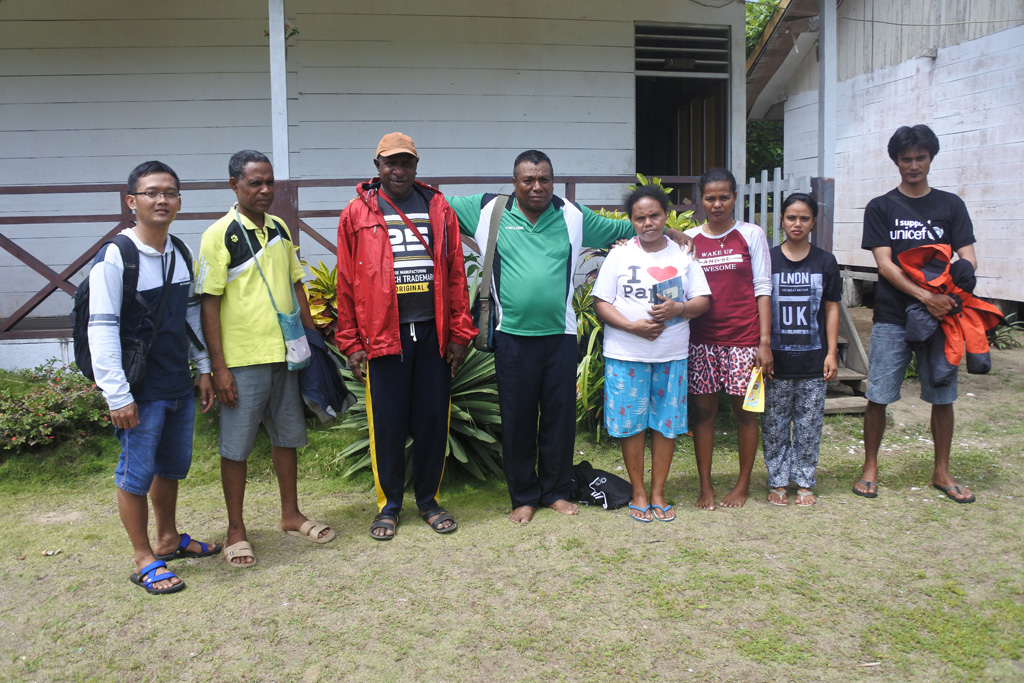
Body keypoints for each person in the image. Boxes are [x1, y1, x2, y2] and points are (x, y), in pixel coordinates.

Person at [448, 151, 692, 524]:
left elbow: (621, 227)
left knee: (559, 420)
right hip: (512, 337)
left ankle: (556, 491)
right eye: (528, 180)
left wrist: (668, 232)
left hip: (560, 337)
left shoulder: (572, 215)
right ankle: (524, 496)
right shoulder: (487, 210)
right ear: (514, 183)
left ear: (553, 181)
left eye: (544, 179)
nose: (537, 186)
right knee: (517, 421)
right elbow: (432, 205)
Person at [196, 150, 335, 568]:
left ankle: (291, 514)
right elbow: (208, 304)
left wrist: (314, 341)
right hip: (241, 360)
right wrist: (219, 367)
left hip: (286, 354)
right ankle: (235, 530)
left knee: (287, 437)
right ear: (234, 185)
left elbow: (296, 285)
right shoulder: (219, 235)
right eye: (255, 182)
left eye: (269, 182)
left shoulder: (279, 228)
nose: (265, 190)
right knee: (236, 447)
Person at [336, 133, 477, 540]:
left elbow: (456, 273)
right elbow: (346, 281)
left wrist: (460, 332)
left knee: (432, 420)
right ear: (377, 166)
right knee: (388, 425)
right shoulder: (356, 213)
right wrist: (351, 342)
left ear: (417, 166)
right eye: (390, 163)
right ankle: (390, 506)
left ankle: (429, 501)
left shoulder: (438, 208)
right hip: (384, 336)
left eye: (406, 163)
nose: (398, 170)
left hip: (433, 334)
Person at [88, 161, 219, 594]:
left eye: (170, 193)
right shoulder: (116, 257)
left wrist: (203, 368)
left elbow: (189, 317)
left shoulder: (178, 251)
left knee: (170, 467)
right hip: (138, 390)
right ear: (132, 201)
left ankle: (167, 538)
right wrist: (117, 395)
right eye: (151, 193)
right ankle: (144, 558)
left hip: (176, 381)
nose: (162, 200)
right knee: (136, 473)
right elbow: (101, 327)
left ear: (179, 201)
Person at [857, 124, 978, 504]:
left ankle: (942, 471)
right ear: (896, 161)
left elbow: (968, 256)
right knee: (878, 394)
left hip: (942, 319)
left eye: (920, 158)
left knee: (943, 394)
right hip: (893, 316)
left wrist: (955, 288)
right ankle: (870, 467)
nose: (913, 165)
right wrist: (926, 296)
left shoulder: (951, 205)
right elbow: (884, 264)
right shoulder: (881, 207)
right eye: (906, 159)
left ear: (931, 158)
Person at [592, 185, 710, 522]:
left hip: (671, 355)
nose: (648, 223)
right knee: (631, 426)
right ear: (631, 221)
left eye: (654, 215)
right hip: (626, 354)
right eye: (640, 218)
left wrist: (680, 308)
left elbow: (703, 300)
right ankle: (639, 492)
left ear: (666, 216)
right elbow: (601, 302)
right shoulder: (619, 255)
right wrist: (632, 327)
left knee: (666, 425)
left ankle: (658, 492)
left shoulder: (682, 255)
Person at [684, 168, 773, 510]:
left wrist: (764, 342)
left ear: (735, 197)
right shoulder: (690, 239)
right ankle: (705, 486)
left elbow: (763, 287)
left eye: (724, 197)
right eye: (710, 198)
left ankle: (742, 484)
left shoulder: (751, 234)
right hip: (701, 341)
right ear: (701, 200)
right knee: (704, 415)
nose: (717, 204)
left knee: (745, 414)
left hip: (744, 340)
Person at [761, 193, 840, 507]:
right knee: (774, 426)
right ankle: (778, 482)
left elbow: (831, 308)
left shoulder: (825, 261)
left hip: (813, 361)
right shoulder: (768, 260)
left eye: (804, 218)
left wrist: (831, 353)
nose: (797, 223)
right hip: (775, 362)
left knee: (809, 427)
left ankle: (805, 482)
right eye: (791, 217)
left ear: (813, 222)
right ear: (781, 220)